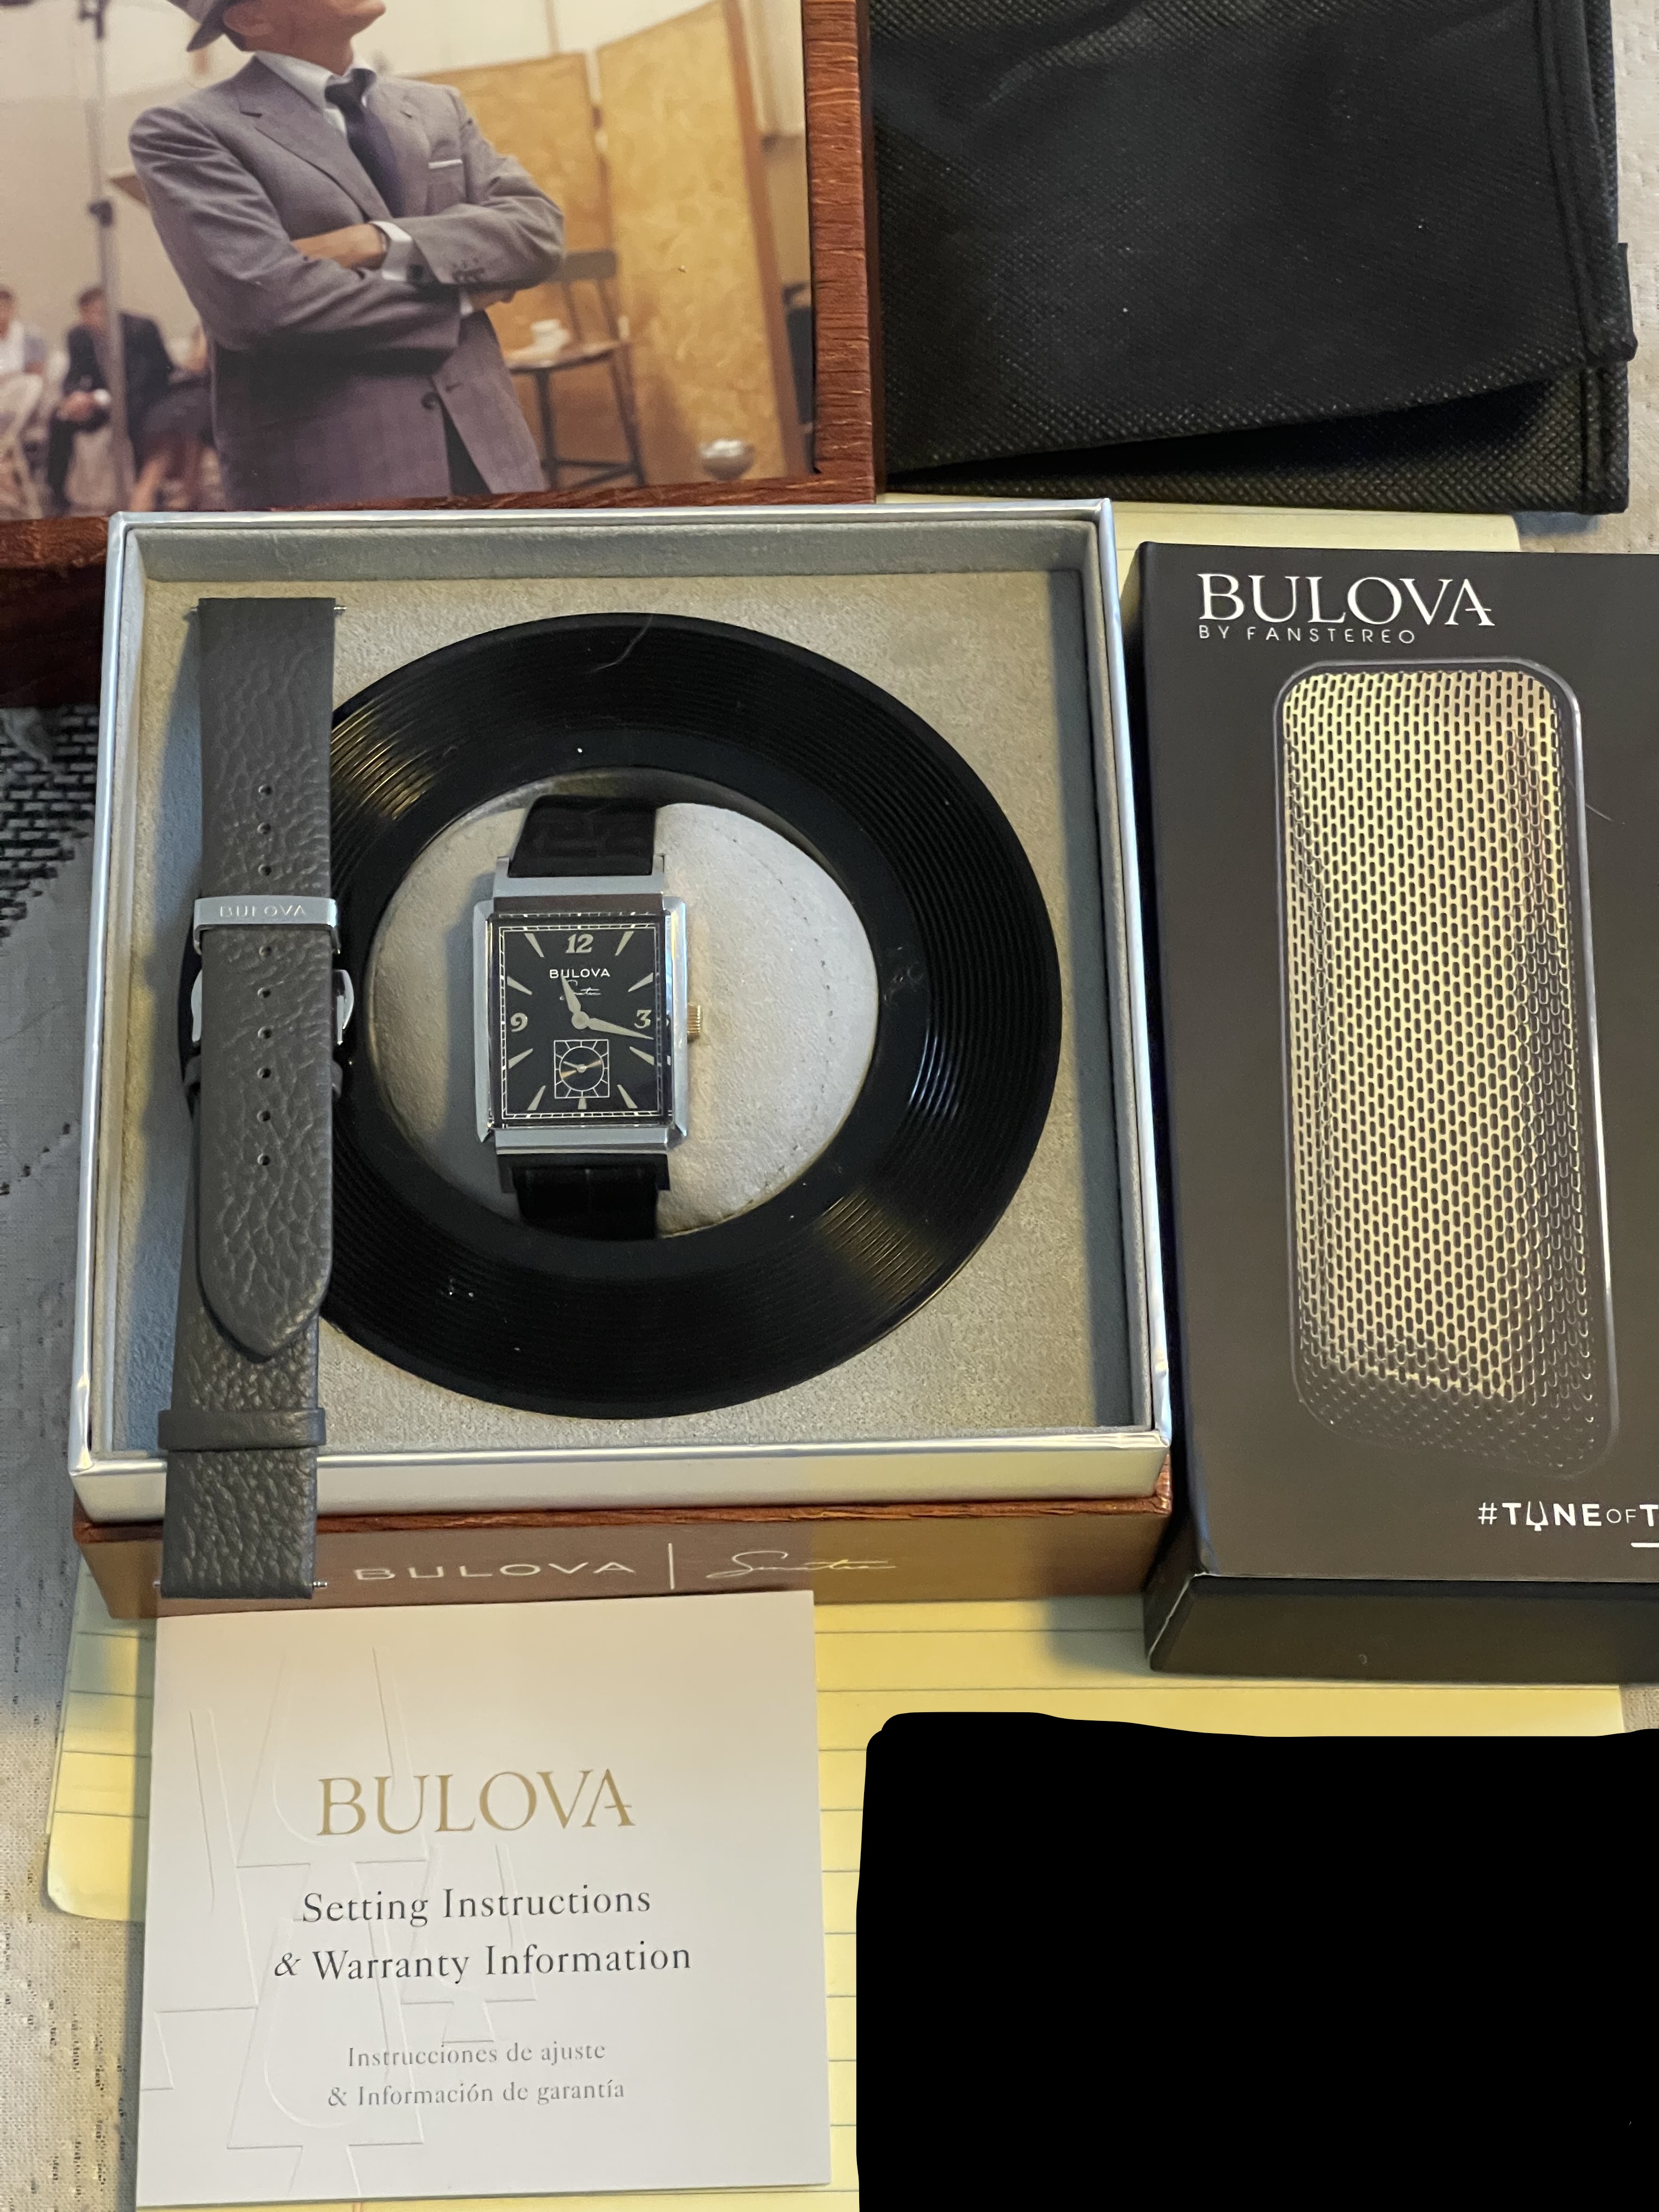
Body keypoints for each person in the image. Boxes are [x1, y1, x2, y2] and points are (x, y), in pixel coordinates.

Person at [129, 0, 563, 507]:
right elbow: (267, 306)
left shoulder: (438, 107)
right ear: (251, 19)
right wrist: (463, 298)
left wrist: (376, 241)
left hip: (494, 460)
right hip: (335, 478)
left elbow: (537, 232)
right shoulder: (188, 131)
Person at [44, 287, 176, 515]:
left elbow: (148, 377)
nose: (96, 319)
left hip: (143, 398)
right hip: (101, 400)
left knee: (138, 421)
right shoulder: (79, 335)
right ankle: (56, 493)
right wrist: (74, 397)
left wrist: (99, 398)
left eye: (101, 312)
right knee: (60, 419)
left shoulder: (141, 329)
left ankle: (146, 491)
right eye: (89, 314)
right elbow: (74, 374)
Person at [130, 326, 215, 512]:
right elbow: (194, 363)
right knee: (170, 432)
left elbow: (201, 362)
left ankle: (182, 489)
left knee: (192, 424)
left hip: (205, 401)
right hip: (177, 404)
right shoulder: (180, 374)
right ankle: (149, 492)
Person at [0, 287, 47, 380]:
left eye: (5, 308)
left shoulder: (29, 336)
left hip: (18, 380)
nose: (2, 314)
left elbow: (37, 370)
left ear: (12, 309)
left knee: (33, 382)